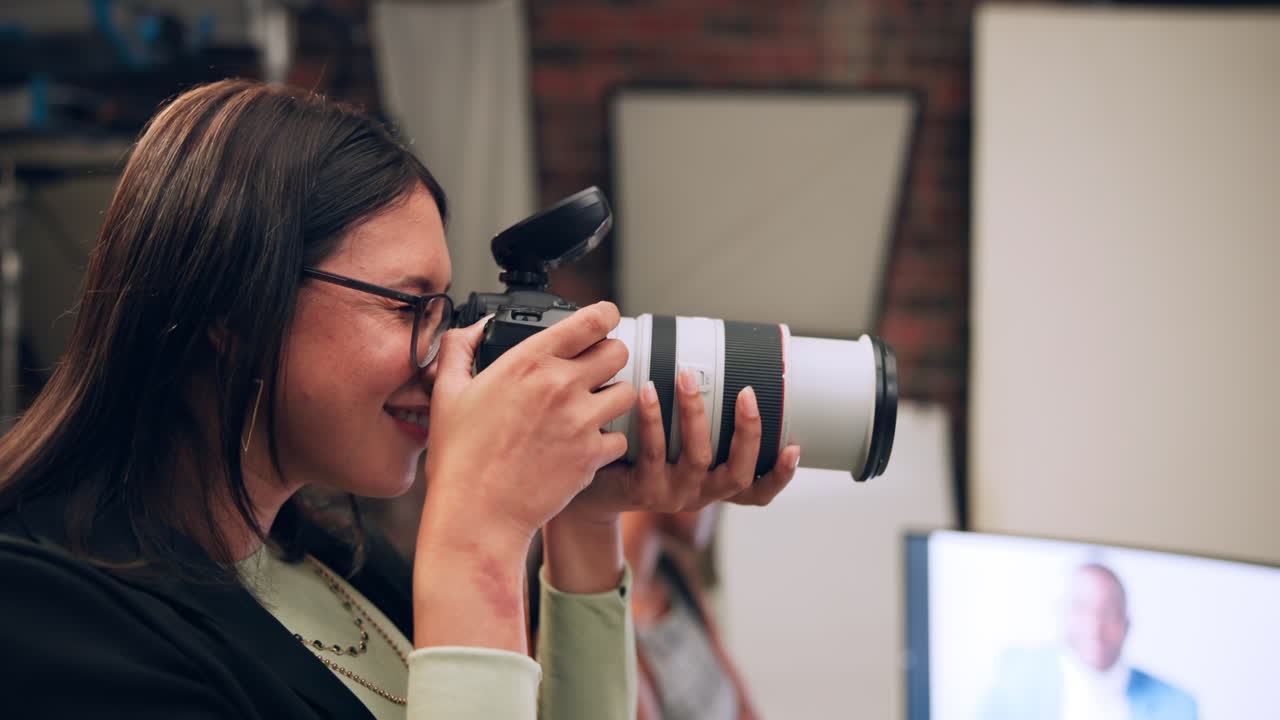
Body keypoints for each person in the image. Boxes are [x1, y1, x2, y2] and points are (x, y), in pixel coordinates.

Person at [0, 79, 800, 719]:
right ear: (235, 309)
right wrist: (475, 539)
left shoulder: (329, 561)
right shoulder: (47, 618)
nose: (447, 354)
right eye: (407, 305)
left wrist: (585, 521)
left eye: (446, 311)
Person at [978, 563, 1198, 720]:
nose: (1094, 625)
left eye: (1108, 611)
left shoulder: (1177, 706)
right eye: (1082, 609)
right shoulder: (1016, 676)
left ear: (1127, 623)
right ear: (1064, 616)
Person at [624, 506, 761, 720]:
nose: (718, 496)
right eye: (710, 471)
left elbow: (746, 708)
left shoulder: (674, 573)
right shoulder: (606, 622)